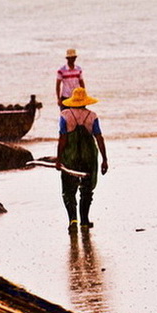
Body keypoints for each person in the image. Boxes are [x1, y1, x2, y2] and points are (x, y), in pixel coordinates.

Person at [56, 87, 109, 232]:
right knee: (87, 189)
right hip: (88, 156)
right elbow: (99, 137)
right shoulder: (92, 116)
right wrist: (104, 159)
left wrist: (59, 158)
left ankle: (73, 219)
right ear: (85, 102)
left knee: (68, 189)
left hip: (70, 155)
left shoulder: (65, 115)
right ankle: (84, 220)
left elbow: (63, 138)